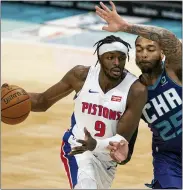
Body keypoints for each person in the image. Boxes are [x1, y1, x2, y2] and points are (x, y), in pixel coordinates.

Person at [2, 35, 147, 189]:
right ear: (100, 57)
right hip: (77, 149)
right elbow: (42, 101)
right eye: (110, 57)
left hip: (106, 159)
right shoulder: (81, 76)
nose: (116, 63)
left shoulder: (136, 90)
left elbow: (121, 140)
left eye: (121, 58)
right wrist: (12, 96)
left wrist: (95, 144)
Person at [95, 1, 182, 189]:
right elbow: (128, 138)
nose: (143, 54)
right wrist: (120, 154)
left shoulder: (175, 71)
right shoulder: (133, 91)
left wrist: (126, 27)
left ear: (162, 53)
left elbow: (168, 37)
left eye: (150, 49)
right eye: (140, 49)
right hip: (169, 159)